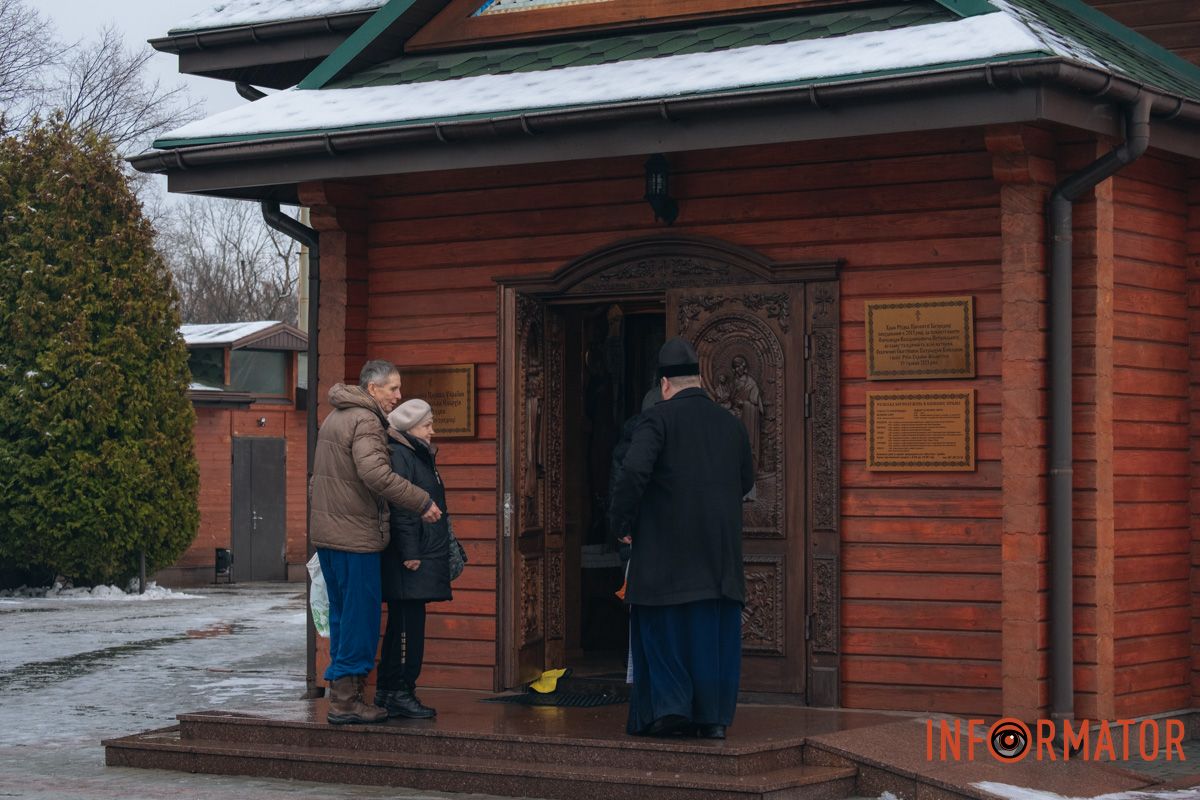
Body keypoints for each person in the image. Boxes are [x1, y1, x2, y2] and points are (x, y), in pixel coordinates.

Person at [609, 337, 754, 740]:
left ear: (665, 385)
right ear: (699, 380)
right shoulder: (731, 424)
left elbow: (633, 473)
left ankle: (669, 710)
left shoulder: (657, 419)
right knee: (713, 640)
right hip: (719, 559)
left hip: (665, 559)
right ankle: (713, 721)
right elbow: (747, 480)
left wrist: (621, 522)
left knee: (663, 632)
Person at [310, 360, 442, 725]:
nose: (398, 396)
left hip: (331, 535)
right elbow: (375, 474)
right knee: (360, 619)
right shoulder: (366, 420)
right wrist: (422, 501)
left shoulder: (335, 416)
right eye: (392, 389)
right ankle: (347, 702)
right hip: (355, 537)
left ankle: (342, 695)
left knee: (342, 617)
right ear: (372, 389)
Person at [375, 398, 452, 720]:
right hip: (411, 558)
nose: (432, 431)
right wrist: (410, 554)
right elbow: (402, 507)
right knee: (408, 629)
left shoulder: (414, 453)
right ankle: (399, 691)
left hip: (418, 554)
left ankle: (393, 689)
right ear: (410, 428)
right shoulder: (403, 456)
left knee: (404, 625)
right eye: (427, 425)